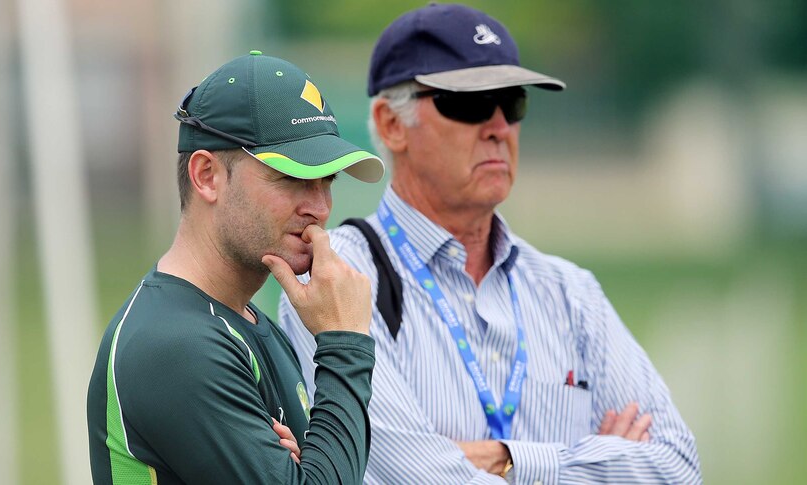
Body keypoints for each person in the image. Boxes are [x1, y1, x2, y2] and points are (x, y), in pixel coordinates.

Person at [278, 4, 701, 484]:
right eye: (471, 102)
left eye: (513, 101)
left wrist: (501, 458)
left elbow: (677, 468)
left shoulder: (570, 292)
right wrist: (595, 458)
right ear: (392, 125)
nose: (499, 126)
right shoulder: (336, 278)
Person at [87, 51, 386, 484]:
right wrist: (346, 343)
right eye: (294, 179)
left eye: (328, 181)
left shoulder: (249, 323)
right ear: (207, 175)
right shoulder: (173, 345)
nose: (320, 208)